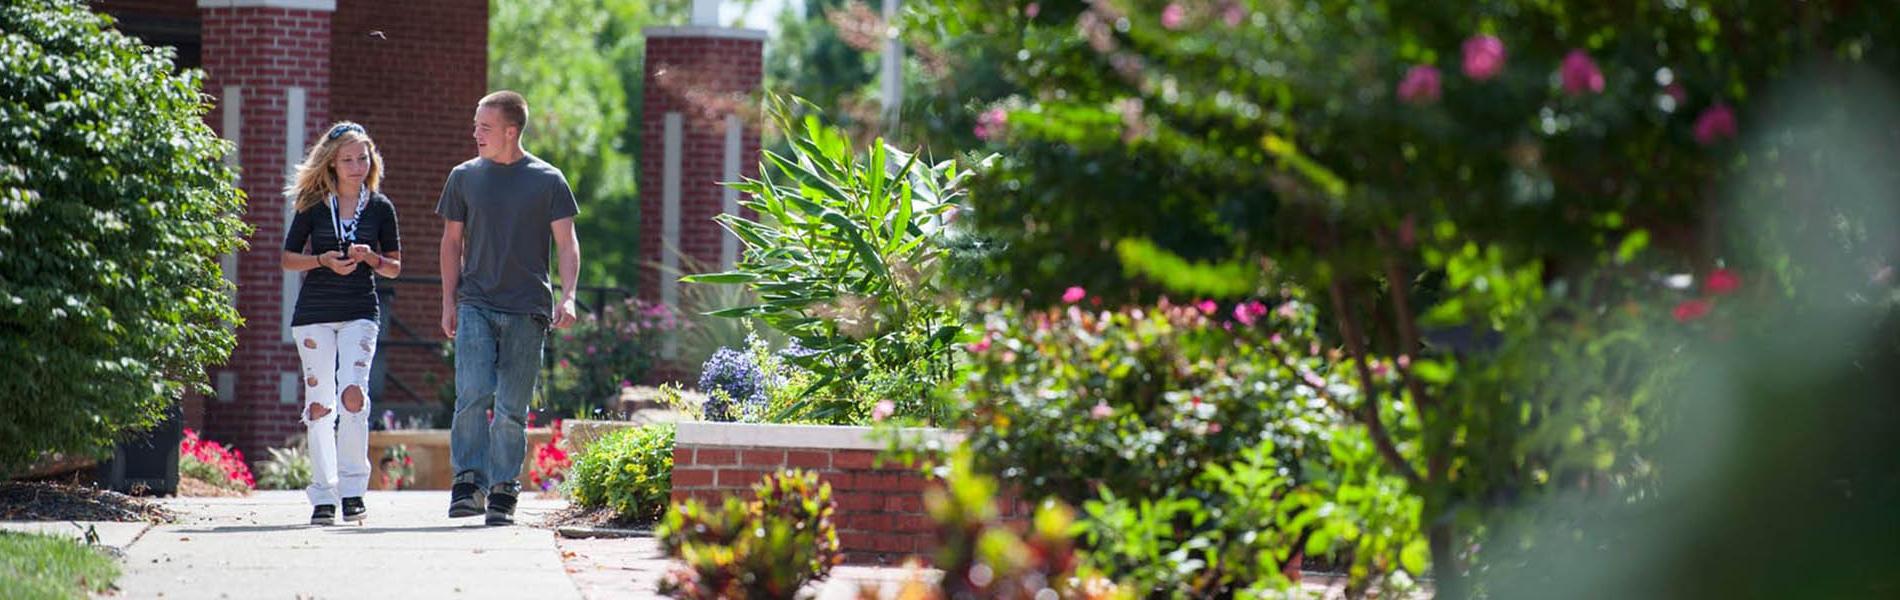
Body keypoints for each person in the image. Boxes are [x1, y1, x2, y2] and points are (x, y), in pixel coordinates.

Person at [437, 91, 580, 526]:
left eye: (485, 127)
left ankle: (503, 488)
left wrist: (569, 293)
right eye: (475, 125)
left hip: (527, 307)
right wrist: (448, 299)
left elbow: (567, 243)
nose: (475, 133)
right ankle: (468, 482)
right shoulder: (463, 177)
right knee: (472, 392)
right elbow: (451, 242)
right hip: (476, 300)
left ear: (511, 131)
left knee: (512, 407)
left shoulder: (547, 180)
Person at [280, 121, 402, 525]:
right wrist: (322, 260)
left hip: (360, 313)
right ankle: (323, 495)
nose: (356, 165)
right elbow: (287, 258)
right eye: (347, 159)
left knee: (353, 396)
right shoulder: (313, 205)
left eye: (362, 157)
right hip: (314, 314)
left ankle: (353, 490)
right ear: (331, 164)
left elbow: (395, 268)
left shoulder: (381, 208)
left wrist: (371, 259)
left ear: (371, 160)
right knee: (319, 405)